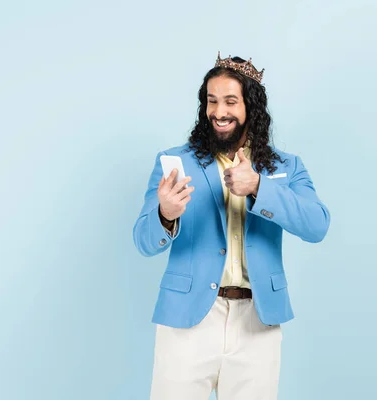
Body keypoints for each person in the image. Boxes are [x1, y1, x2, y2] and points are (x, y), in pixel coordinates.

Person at [132, 52, 331, 400]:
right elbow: (144, 241)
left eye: (229, 101)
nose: (218, 112)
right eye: (211, 101)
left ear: (250, 107)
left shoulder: (286, 166)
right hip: (186, 320)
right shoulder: (175, 162)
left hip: (258, 321)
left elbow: (317, 225)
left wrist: (258, 187)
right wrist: (165, 213)